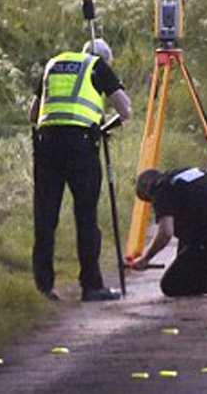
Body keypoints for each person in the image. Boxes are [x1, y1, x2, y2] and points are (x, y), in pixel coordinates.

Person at [28, 38, 132, 302]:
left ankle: (43, 286)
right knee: (86, 215)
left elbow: (33, 114)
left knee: (45, 217)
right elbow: (125, 109)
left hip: (47, 144)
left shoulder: (54, 64)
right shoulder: (98, 66)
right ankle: (91, 285)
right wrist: (105, 124)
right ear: (105, 58)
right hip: (81, 147)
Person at [129, 167, 207, 297]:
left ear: (147, 186)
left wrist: (146, 258)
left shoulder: (162, 190)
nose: (153, 203)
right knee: (184, 264)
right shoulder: (187, 174)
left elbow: (165, 233)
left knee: (171, 285)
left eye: (149, 199)